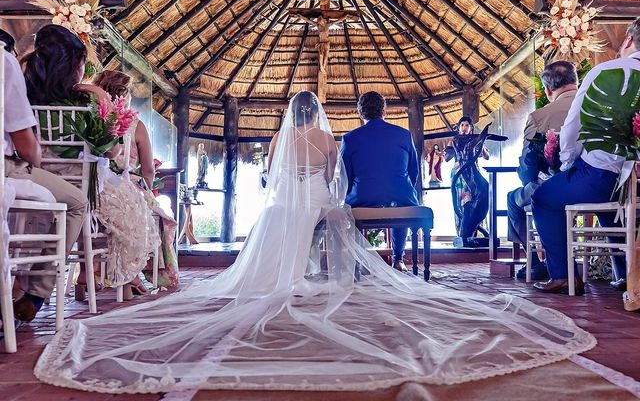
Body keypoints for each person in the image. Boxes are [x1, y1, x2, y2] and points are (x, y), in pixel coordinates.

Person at [34, 90, 595, 394]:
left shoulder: (291, 141)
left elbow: (280, 180)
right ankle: (332, 272)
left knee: (293, 221)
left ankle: (291, 274)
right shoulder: (336, 137)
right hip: (321, 202)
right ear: (320, 115)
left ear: (288, 116)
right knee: (333, 217)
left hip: (283, 209)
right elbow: (336, 184)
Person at [23, 25, 159, 299]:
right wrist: (100, 96)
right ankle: (124, 278)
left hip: (34, 179)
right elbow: (110, 153)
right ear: (71, 66)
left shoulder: (27, 97)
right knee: (130, 211)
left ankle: (76, 278)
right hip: (82, 188)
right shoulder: (84, 105)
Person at [531, 17, 640, 295]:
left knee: (543, 198)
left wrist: (567, 164)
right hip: (634, 181)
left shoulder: (606, 72)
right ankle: (628, 275)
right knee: (614, 204)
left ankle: (565, 275)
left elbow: (572, 129)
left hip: (602, 176)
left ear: (628, 40)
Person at [1, 27, 89, 323]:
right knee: (77, 202)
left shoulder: (24, 75)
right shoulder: (5, 64)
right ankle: (36, 294)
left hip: (28, 175)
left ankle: (22, 285)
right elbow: (28, 150)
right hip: (17, 167)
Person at [92, 70, 179, 288]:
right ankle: (133, 274)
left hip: (89, 185)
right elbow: (148, 169)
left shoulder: (89, 117)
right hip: (123, 186)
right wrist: (148, 189)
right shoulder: (135, 125)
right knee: (161, 217)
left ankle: (90, 270)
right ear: (125, 95)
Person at [508, 61, 578, 280]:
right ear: (576, 81)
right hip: (603, 185)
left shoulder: (539, 117)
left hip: (555, 186)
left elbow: (528, 165)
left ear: (548, 90)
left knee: (514, 200)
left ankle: (537, 263)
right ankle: (622, 269)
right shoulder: (596, 105)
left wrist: (528, 177)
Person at [340, 91, 419, 272]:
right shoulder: (404, 135)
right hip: (401, 196)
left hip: (362, 197)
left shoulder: (350, 138)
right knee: (402, 200)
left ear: (361, 114)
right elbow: (414, 172)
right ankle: (398, 259)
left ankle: (358, 259)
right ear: (384, 111)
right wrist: (400, 190)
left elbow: (346, 176)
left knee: (348, 209)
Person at [445, 116, 490, 246]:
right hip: (458, 175)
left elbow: (487, 156)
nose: (464, 127)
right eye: (462, 125)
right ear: (458, 127)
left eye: (467, 125)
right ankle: (463, 233)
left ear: (470, 128)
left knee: (475, 200)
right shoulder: (454, 140)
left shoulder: (475, 140)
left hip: (473, 174)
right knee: (461, 203)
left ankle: (476, 233)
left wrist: (480, 144)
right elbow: (447, 158)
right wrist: (452, 147)